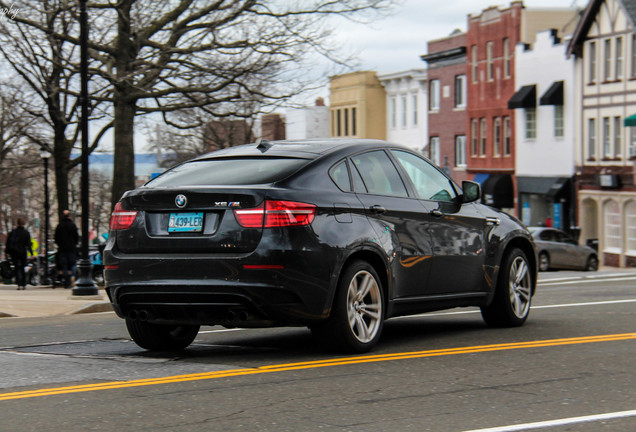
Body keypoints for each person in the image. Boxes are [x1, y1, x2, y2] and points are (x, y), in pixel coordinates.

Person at [5, 217, 33, 290]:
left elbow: (8, 243)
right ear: (24, 223)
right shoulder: (26, 233)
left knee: (17, 268)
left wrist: (7, 252)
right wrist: (31, 253)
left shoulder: (13, 232)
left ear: (17, 223)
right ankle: (24, 284)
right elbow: (28, 244)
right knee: (23, 268)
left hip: (14, 253)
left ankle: (19, 284)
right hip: (23, 252)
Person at [55, 210, 79, 289]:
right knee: (73, 264)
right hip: (71, 248)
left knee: (64, 266)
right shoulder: (73, 225)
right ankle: (73, 276)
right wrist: (74, 244)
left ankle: (67, 282)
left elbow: (56, 238)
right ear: (69, 216)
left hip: (62, 249)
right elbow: (76, 237)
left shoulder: (59, 226)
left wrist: (60, 244)